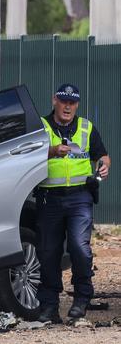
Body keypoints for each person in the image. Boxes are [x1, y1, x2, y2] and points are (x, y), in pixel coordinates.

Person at [36, 83, 111, 323]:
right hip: (49, 197)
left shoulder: (87, 127)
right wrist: (53, 151)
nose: (68, 106)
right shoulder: (42, 126)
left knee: (79, 247)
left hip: (80, 197)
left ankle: (81, 298)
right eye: (63, 101)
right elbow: (27, 154)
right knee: (48, 252)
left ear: (77, 104)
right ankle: (49, 306)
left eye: (72, 102)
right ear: (54, 101)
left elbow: (103, 154)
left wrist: (104, 164)